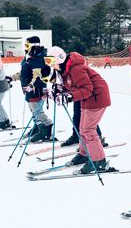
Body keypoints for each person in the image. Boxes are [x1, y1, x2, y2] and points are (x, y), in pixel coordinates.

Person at [43, 46, 111, 174]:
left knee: (88, 130)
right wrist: (56, 93)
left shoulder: (76, 69)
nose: (48, 64)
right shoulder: (65, 70)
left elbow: (87, 89)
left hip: (97, 97)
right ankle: (84, 154)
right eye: (46, 60)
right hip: (87, 98)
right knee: (82, 129)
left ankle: (99, 161)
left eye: (49, 60)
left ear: (59, 59)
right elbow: (72, 86)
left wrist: (69, 97)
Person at [6, 36, 53, 142]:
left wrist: (32, 86)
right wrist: (12, 77)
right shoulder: (29, 57)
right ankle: (37, 127)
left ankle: (46, 127)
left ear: (34, 46)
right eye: (25, 45)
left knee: (37, 111)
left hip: (36, 90)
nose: (25, 48)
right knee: (33, 111)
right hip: (28, 90)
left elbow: (38, 76)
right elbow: (24, 73)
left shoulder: (40, 59)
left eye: (27, 46)